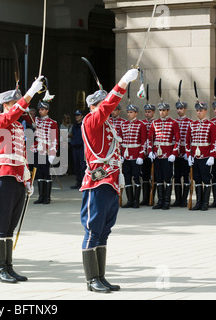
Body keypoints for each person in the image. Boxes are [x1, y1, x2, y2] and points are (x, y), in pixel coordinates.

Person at [80, 68, 138, 293]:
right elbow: (107, 107)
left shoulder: (107, 125)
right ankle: (91, 279)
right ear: (94, 106)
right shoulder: (92, 121)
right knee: (93, 230)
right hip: (97, 182)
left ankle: (100, 277)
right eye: (103, 105)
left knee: (104, 231)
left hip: (111, 182)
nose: (110, 109)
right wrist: (123, 82)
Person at [0, 77, 44, 283]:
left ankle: (8, 266)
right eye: (14, 104)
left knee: (11, 226)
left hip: (18, 177)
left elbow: (22, 155)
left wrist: (27, 177)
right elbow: (12, 115)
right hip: (3, 176)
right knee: (1, 225)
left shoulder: (19, 127)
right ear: (5, 106)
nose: (19, 108)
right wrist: (30, 93)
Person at [185, 102, 216, 211]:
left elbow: (214, 142)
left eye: (201, 111)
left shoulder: (211, 125)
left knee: (206, 179)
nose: (199, 113)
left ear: (205, 111)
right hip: (195, 157)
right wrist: (189, 155)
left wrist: (212, 155)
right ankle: (199, 202)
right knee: (197, 179)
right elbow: (187, 141)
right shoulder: (192, 124)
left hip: (205, 157)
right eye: (197, 111)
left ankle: (205, 203)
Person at [147, 102, 180, 210]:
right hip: (157, 155)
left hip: (167, 155)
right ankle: (160, 201)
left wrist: (174, 154)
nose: (162, 112)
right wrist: (150, 151)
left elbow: (177, 140)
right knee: (159, 178)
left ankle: (167, 201)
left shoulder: (173, 123)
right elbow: (150, 139)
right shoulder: (154, 123)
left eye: (164, 110)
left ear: (168, 111)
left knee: (168, 178)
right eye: (160, 110)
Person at [119, 104, 147, 208]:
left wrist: (141, 155)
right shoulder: (123, 124)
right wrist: (120, 155)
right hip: (126, 156)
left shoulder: (141, 124)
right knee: (127, 178)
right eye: (128, 112)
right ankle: (130, 200)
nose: (129, 114)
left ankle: (136, 201)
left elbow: (144, 141)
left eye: (131, 112)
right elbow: (120, 141)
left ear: (136, 113)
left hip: (136, 156)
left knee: (136, 178)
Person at [32, 100, 58, 204]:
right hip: (38, 149)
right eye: (39, 109)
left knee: (47, 174)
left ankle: (47, 197)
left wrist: (52, 153)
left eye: (42, 109)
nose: (40, 111)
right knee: (39, 173)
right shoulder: (36, 121)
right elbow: (27, 116)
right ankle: (40, 196)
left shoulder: (53, 123)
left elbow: (54, 139)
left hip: (47, 151)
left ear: (47, 110)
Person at [173, 100, 193, 207]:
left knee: (186, 177)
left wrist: (189, 153)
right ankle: (177, 199)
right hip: (176, 154)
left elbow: (191, 139)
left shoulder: (190, 122)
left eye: (181, 109)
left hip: (185, 154)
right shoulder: (174, 122)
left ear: (185, 109)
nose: (179, 110)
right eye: (178, 109)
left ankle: (184, 199)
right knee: (176, 177)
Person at [139, 103, 156, 205]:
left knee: (153, 177)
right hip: (144, 155)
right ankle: (145, 198)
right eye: (146, 112)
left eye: (149, 112)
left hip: (154, 153)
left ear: (153, 112)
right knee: (144, 177)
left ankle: (151, 198)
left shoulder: (156, 123)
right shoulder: (142, 123)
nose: (147, 114)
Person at [69, 110, 85, 189]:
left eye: (78, 115)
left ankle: (83, 182)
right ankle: (78, 182)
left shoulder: (84, 125)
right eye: (76, 115)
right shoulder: (74, 126)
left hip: (82, 147)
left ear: (82, 116)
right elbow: (72, 134)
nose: (76, 117)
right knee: (76, 165)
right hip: (75, 147)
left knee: (83, 165)